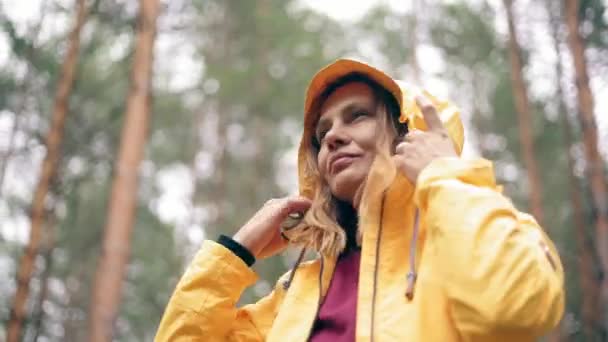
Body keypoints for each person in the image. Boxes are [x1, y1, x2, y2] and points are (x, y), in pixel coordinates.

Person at [155, 59, 564, 341]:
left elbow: (512, 313)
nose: (331, 137)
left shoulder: (487, 232)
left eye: (357, 116)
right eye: (321, 134)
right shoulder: (297, 293)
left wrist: (444, 176)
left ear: (408, 134)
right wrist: (234, 252)